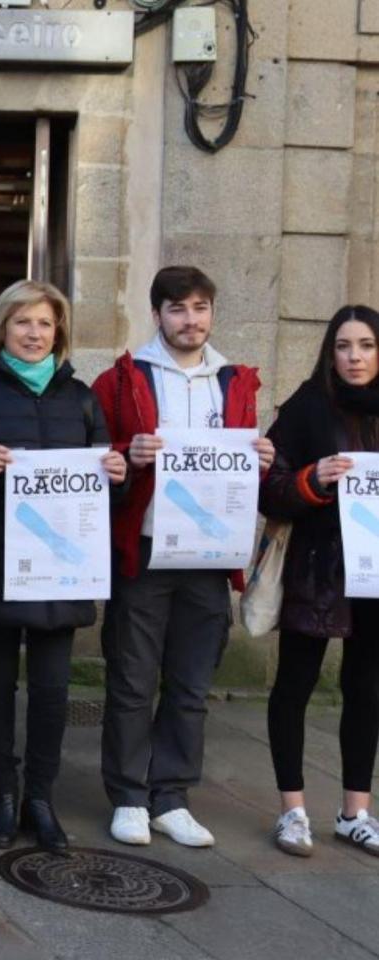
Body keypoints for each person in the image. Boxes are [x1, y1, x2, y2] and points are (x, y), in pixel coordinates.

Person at [92, 265, 274, 848]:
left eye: (199, 308)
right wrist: (127, 451)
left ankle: (171, 795)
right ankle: (127, 796)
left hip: (209, 553)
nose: (190, 320)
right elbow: (92, 458)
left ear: (212, 313)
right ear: (157, 315)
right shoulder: (121, 379)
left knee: (191, 684)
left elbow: (245, 469)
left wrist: (261, 456)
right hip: (144, 551)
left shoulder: (235, 381)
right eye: (177, 309)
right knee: (132, 679)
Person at [0, 280, 127, 853]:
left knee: (52, 691)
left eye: (45, 324)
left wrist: (117, 476)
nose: (34, 333)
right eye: (22, 322)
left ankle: (40, 797)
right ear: (1, 328)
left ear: (60, 333)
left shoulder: (80, 397)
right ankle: (2, 794)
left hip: (63, 568)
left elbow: (107, 490)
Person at [259, 304, 379, 858]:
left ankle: (356, 812)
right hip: (318, 567)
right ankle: (293, 812)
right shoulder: (308, 406)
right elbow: (269, 487)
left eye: (366, 346)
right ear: (329, 352)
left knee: (367, 689)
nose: (355, 357)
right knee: (295, 686)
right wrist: (314, 478)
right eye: (344, 346)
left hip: (375, 573)